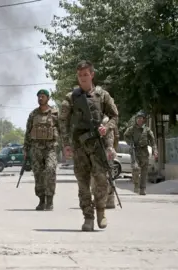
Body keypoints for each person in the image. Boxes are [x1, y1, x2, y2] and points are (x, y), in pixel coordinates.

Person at [59, 60, 119, 231]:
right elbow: (63, 121)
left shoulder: (103, 95)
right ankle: (88, 218)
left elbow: (114, 116)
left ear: (92, 75)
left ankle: (101, 211)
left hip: (98, 144)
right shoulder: (70, 98)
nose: (83, 78)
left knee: (101, 180)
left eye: (86, 75)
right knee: (83, 183)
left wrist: (106, 127)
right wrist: (66, 144)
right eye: (80, 75)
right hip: (79, 145)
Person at [23, 89, 59, 211]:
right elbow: (28, 132)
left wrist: (66, 145)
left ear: (48, 98)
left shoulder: (55, 113)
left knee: (50, 170)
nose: (40, 98)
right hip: (36, 148)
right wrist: (26, 148)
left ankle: (50, 200)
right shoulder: (33, 114)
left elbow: (62, 129)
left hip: (50, 148)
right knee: (38, 174)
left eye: (43, 96)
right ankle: (41, 200)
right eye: (39, 96)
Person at [123, 111, 158, 195]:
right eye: (137, 118)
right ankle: (136, 185)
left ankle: (143, 189)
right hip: (135, 151)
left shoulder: (147, 130)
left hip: (144, 152)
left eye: (140, 118)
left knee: (144, 172)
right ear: (136, 119)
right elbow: (125, 136)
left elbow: (153, 141)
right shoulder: (132, 129)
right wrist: (130, 143)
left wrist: (155, 150)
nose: (139, 120)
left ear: (143, 120)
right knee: (135, 169)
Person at [90, 115, 117, 209]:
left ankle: (110, 199)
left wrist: (109, 149)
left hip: (106, 151)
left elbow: (110, 136)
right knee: (95, 176)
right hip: (95, 151)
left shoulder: (106, 121)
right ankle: (98, 198)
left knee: (108, 176)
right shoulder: (91, 118)